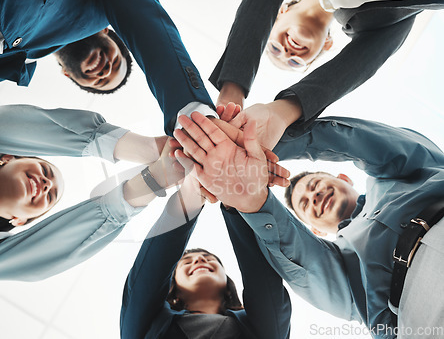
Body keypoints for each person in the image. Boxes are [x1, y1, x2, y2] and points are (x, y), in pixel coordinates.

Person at [174, 111, 444, 338]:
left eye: (314, 186)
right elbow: (306, 261)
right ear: (314, 229)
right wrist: (252, 196)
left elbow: (365, 142)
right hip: (422, 309)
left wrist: (267, 145)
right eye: (306, 205)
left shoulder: (391, 173)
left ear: (343, 177)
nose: (314, 197)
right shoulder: (344, 264)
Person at [0, 103, 187, 282]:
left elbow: (47, 250)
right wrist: (148, 150)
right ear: (7, 157)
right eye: (44, 170)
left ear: (19, 220)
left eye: (49, 197)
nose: (46, 185)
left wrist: (154, 180)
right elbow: (6, 125)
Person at [0, 0, 214, 134]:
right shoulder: (97, 7)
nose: (105, 71)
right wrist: (191, 114)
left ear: (68, 75)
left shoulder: (3, 72)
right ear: (109, 32)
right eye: (115, 61)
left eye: (100, 81)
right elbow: (145, 20)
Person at [209, 0, 444, 149]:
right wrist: (282, 112)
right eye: (294, 62)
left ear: (281, 11)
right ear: (327, 45)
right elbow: (361, 63)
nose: (288, 51)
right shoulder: (381, 23)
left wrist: (232, 90)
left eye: (274, 47)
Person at [120, 172, 291, 339]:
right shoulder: (150, 326)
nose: (199, 259)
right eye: (186, 262)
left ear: (227, 282)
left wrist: (234, 201)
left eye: (210, 260)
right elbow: (148, 275)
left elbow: (262, 281)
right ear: (174, 287)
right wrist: (190, 200)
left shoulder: (262, 327)